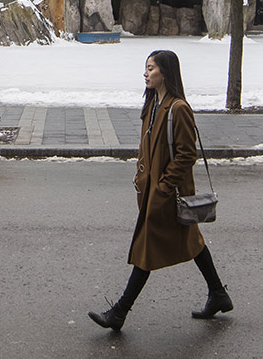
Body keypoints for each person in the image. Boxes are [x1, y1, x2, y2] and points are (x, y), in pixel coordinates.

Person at [88, 50, 232, 331]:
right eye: (145, 68)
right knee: (192, 241)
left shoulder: (178, 108)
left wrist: (165, 186)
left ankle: (119, 311)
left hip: (167, 195)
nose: (146, 73)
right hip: (153, 191)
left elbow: (186, 154)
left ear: (165, 72)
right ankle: (218, 293)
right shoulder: (153, 103)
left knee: (146, 249)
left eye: (151, 68)